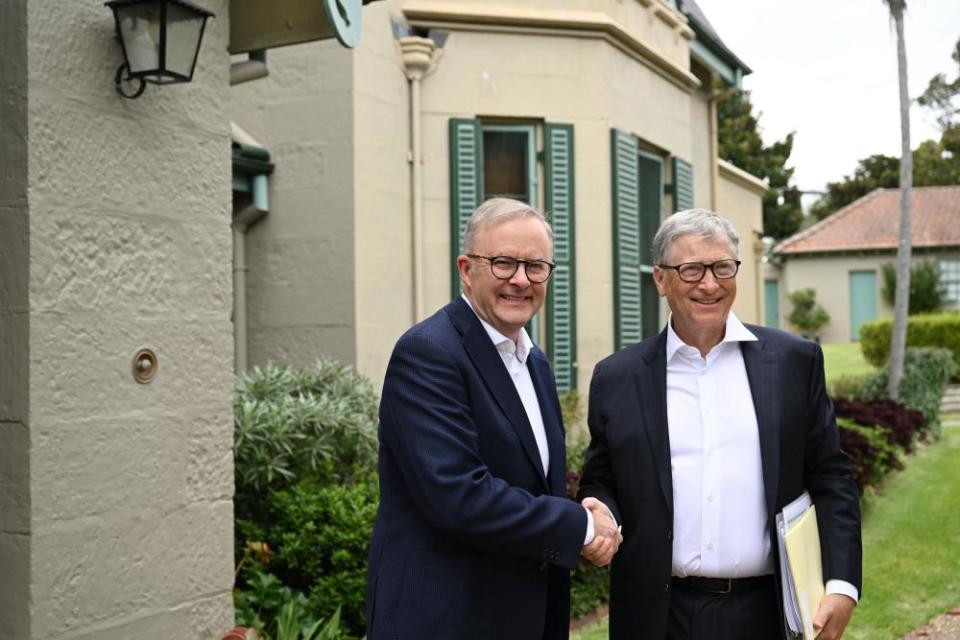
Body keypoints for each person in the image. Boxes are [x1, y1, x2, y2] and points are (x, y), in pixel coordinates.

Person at [579, 208, 862, 640]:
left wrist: (842, 585)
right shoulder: (616, 377)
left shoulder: (792, 362)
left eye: (722, 268)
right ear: (660, 279)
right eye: (691, 270)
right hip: (656, 616)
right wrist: (601, 515)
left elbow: (832, 476)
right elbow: (603, 481)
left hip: (767, 613)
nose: (709, 284)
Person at [366, 198, 622, 640]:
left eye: (535, 266)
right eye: (503, 263)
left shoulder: (534, 362)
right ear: (466, 269)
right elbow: (458, 495)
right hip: (447, 621)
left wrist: (591, 512)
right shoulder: (428, 352)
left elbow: (534, 484)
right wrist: (580, 527)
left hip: (525, 617)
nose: (520, 280)